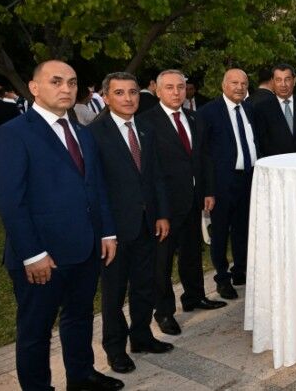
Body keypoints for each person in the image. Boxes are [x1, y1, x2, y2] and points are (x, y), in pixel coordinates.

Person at [0, 60, 123, 391]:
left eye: (72, 83)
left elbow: (96, 187)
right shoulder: (12, 134)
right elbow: (10, 201)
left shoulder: (82, 133)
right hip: (42, 256)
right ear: (34, 88)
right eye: (56, 81)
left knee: (78, 318)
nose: (66, 88)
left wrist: (106, 232)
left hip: (85, 248)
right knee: (35, 331)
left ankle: (81, 376)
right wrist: (32, 254)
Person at [89, 72, 173, 374]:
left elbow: (156, 177)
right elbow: (94, 187)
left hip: (148, 223)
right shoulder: (95, 133)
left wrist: (162, 213)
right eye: (120, 93)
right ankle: (115, 349)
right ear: (107, 97)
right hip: (114, 230)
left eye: (133, 92)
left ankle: (141, 336)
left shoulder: (147, 129)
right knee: (113, 294)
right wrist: (105, 231)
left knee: (144, 285)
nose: (128, 98)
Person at [138, 70, 224, 337]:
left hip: (194, 201)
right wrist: (159, 210)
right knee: (162, 263)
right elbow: (149, 171)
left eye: (181, 87)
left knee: (191, 254)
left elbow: (205, 158)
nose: (176, 92)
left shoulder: (195, 118)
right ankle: (163, 312)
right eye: (170, 88)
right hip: (164, 207)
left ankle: (194, 296)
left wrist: (208, 190)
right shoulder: (146, 122)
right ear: (158, 91)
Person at [198, 68, 259, 300]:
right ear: (224, 85)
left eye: (243, 83)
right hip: (221, 183)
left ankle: (240, 271)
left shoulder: (250, 109)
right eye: (234, 83)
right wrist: (208, 189)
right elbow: (203, 154)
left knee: (243, 228)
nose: (239, 87)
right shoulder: (209, 112)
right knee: (221, 232)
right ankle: (222, 278)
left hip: (248, 179)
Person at [254, 63, 296, 156]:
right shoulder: (262, 108)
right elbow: (263, 140)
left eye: (287, 79)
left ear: (294, 81)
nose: (283, 84)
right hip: (277, 164)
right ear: (272, 82)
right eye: (278, 80)